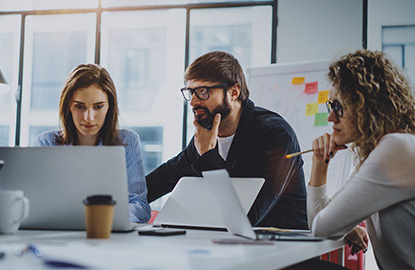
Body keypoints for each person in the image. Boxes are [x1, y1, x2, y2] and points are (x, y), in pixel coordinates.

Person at [147, 51, 308, 229]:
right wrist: (119, 199)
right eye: (190, 92)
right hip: (232, 245)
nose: (193, 102)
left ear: (233, 92)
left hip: (285, 246)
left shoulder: (274, 135)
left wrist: (207, 155)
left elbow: (245, 217)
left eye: (202, 92)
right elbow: (161, 180)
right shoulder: (206, 136)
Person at [308, 50, 415, 269]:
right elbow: (320, 223)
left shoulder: (396, 149)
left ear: (365, 106)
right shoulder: (380, 152)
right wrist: (320, 163)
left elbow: (322, 228)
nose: (330, 118)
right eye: (330, 107)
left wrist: (343, 225)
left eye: (337, 107)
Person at [33, 64, 151, 223]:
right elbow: (35, 203)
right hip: (57, 234)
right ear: (68, 105)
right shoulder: (46, 143)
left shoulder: (127, 142)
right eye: (80, 106)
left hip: (108, 234)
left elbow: (140, 205)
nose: (88, 117)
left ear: (110, 106)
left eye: (98, 107)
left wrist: (108, 222)